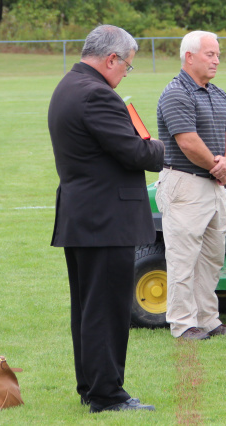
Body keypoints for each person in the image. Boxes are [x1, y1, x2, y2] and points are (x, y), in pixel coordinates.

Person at [48, 25, 164, 413]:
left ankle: (92, 386)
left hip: (85, 216)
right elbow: (135, 153)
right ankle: (106, 394)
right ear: (111, 59)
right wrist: (158, 147)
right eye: (127, 67)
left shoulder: (69, 85)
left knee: (88, 308)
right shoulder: (97, 94)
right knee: (106, 310)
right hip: (105, 218)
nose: (125, 74)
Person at [156, 31, 226, 341]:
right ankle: (182, 324)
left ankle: (208, 320)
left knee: (211, 258)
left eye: (217, 54)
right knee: (182, 258)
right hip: (185, 183)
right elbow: (187, 141)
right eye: (210, 54)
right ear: (189, 57)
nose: (217, 59)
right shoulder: (176, 93)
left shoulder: (218, 94)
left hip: (214, 184)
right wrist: (217, 166)